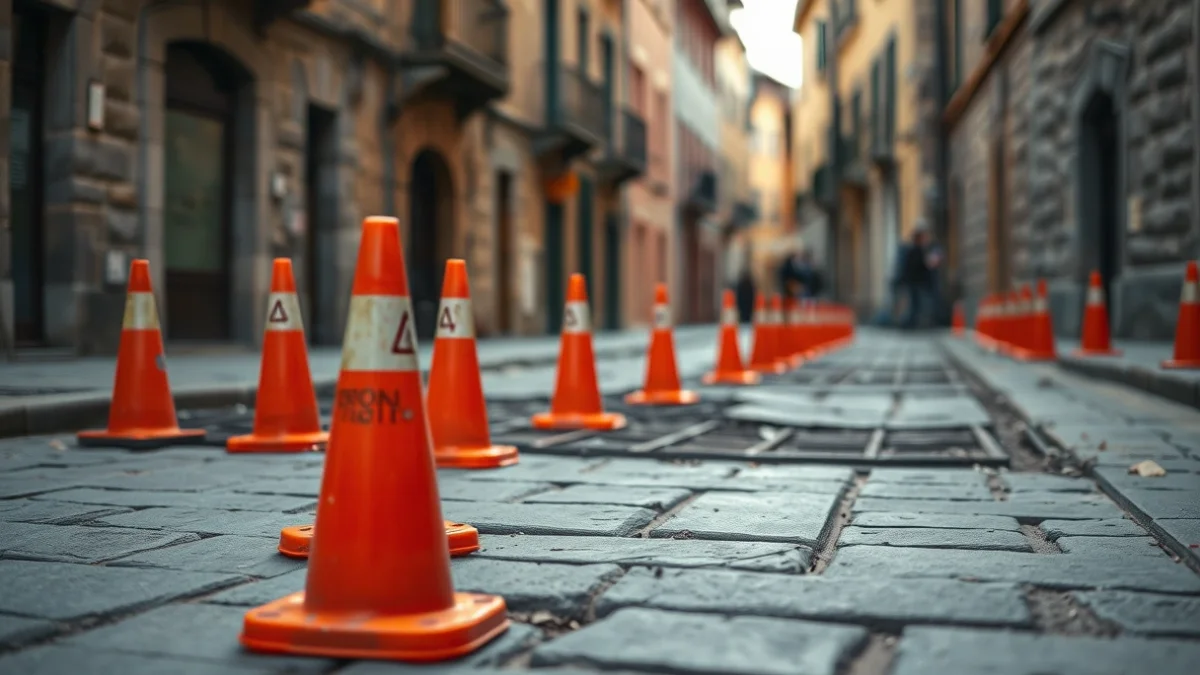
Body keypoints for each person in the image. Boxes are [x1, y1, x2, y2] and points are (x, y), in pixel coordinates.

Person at [898, 223, 941, 329]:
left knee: (922, 304)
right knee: (915, 305)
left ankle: (923, 323)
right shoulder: (912, 250)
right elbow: (913, 266)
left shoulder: (928, 248)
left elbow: (935, 259)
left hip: (924, 282)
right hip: (916, 282)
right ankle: (912, 324)